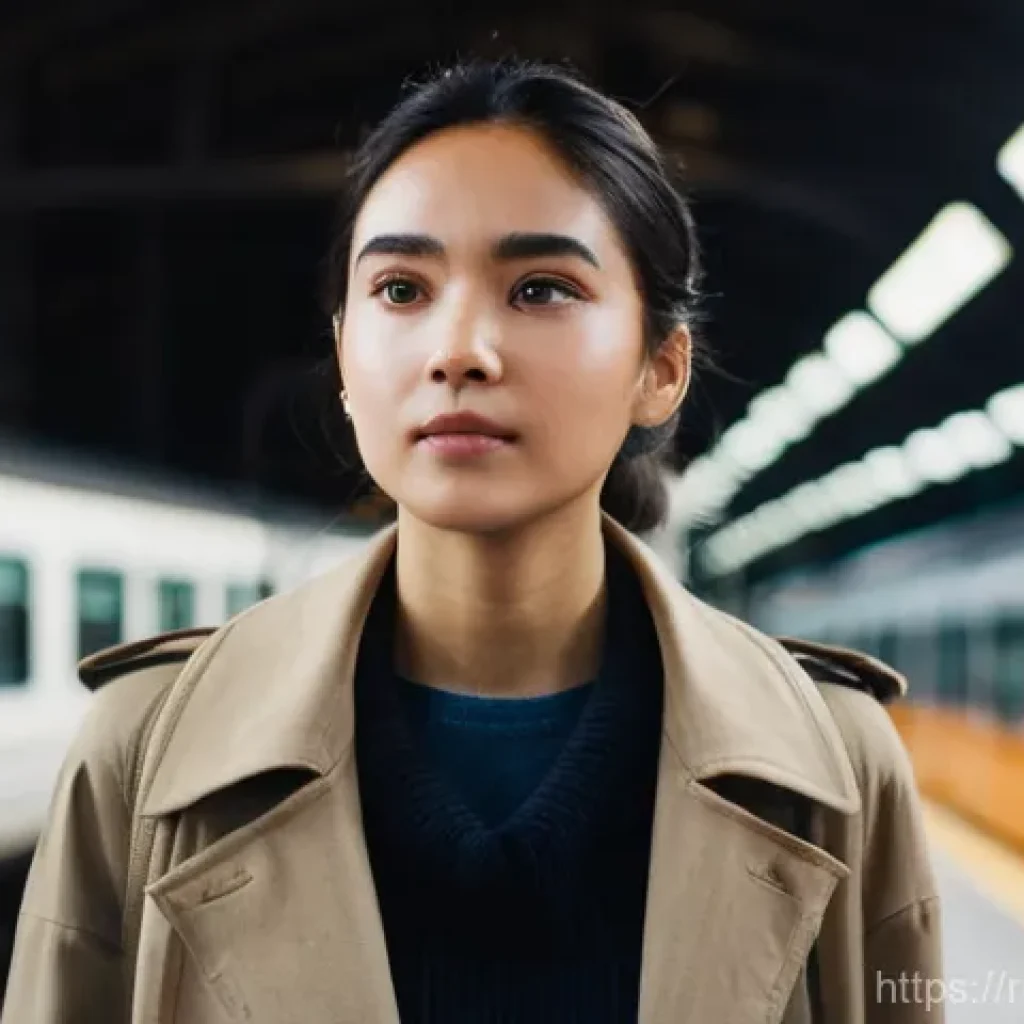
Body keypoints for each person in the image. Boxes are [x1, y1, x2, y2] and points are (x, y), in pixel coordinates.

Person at [2, 60, 942, 1024]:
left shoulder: (838, 765)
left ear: (660, 370)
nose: (458, 350)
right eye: (401, 289)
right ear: (344, 359)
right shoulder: (140, 754)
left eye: (539, 289)